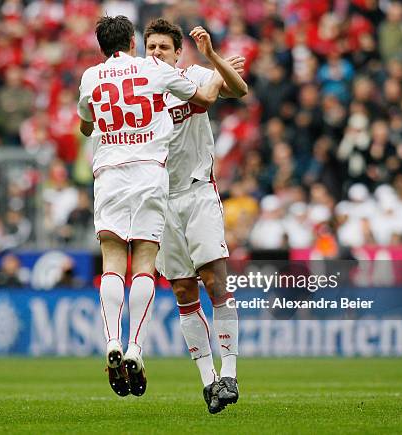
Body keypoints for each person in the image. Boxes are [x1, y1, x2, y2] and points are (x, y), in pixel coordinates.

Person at [77, 15, 234, 398]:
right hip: (150, 175)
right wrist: (213, 73)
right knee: (145, 262)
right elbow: (204, 98)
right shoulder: (152, 69)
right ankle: (135, 348)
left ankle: (112, 340)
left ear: (101, 47)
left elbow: (85, 126)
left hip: (110, 175)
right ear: (133, 42)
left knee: (113, 261)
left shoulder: (90, 77)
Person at [144, 18, 247, 413]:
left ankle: (230, 374)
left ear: (177, 52)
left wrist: (214, 57)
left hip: (199, 191)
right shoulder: (139, 88)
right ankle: (209, 382)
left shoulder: (196, 74)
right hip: (161, 200)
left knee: (214, 282)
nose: (155, 54)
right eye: (150, 47)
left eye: (163, 48)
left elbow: (239, 89)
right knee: (184, 292)